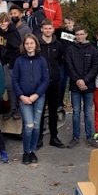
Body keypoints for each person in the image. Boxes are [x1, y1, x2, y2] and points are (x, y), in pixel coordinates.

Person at [13, 34, 50, 164]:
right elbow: (15, 80)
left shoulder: (41, 60)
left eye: (31, 43)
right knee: (28, 125)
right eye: (27, 43)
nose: (29, 46)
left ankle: (32, 151)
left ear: (36, 45)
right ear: (24, 45)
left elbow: (46, 79)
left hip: (38, 97)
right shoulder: (19, 61)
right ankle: (25, 152)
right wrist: (21, 96)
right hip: (24, 98)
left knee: (36, 126)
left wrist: (36, 95)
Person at [65, 25, 98, 149]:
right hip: (75, 87)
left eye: (82, 34)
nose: (79, 36)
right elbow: (69, 66)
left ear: (86, 34)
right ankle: (75, 137)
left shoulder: (92, 49)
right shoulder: (70, 49)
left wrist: (85, 80)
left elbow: (95, 66)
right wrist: (78, 80)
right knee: (75, 112)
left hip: (88, 86)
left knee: (87, 113)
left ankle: (90, 137)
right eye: (77, 34)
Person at [0, 10, 22, 120]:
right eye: (1, 22)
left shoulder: (12, 33)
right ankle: (12, 108)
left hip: (13, 63)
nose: (3, 23)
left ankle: (18, 109)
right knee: (8, 86)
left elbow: (16, 50)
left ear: (8, 22)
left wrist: (9, 63)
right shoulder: (1, 30)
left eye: (5, 21)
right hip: (5, 62)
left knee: (13, 86)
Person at [37, 19, 66, 149]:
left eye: (50, 28)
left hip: (55, 81)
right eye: (45, 28)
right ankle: (38, 138)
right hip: (40, 82)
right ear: (41, 29)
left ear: (53, 29)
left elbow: (59, 60)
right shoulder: (37, 44)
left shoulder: (58, 45)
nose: (48, 30)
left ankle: (54, 137)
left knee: (53, 110)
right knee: (40, 110)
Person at [55, 16, 76, 110]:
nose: (68, 25)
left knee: (67, 82)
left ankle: (66, 101)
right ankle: (59, 101)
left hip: (70, 61)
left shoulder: (75, 33)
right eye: (66, 23)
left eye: (69, 23)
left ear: (73, 23)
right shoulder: (60, 31)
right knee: (61, 80)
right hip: (61, 60)